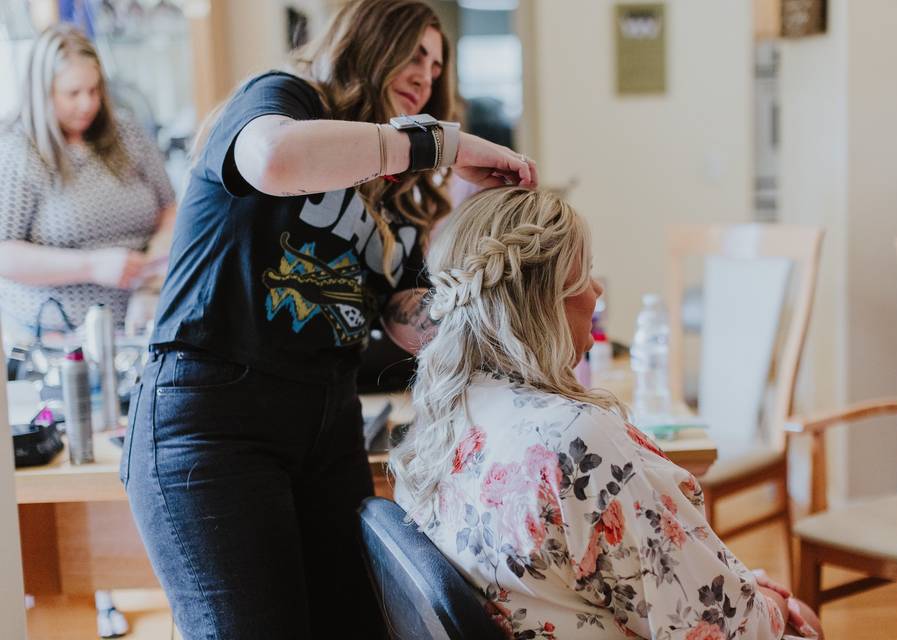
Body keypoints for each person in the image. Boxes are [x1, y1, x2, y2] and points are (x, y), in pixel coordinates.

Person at [122, 0, 537, 638]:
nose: (427, 74)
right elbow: (272, 161)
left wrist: (486, 276)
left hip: (327, 423)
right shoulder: (284, 99)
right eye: (414, 53)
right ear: (370, 40)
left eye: (437, 64)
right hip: (213, 421)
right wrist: (440, 142)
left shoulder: (395, 193)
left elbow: (403, 319)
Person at [390, 187, 824, 639]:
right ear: (544, 301)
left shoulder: (446, 413)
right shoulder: (574, 441)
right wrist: (774, 604)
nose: (596, 291)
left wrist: (741, 588)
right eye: (586, 274)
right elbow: (726, 630)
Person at [0, 25, 176, 336]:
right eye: (73, 94)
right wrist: (93, 266)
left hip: (143, 319)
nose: (87, 104)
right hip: (59, 333)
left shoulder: (125, 131)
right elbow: (5, 254)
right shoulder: (19, 151)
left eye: (94, 90)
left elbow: (169, 209)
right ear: (43, 93)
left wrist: (149, 281)